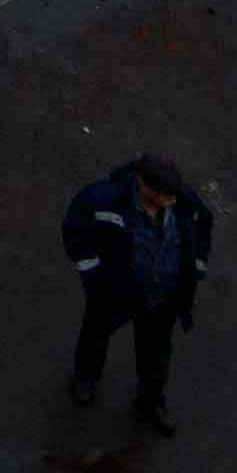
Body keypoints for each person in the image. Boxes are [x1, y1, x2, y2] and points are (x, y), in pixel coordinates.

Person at [61, 150, 215, 435]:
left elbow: (203, 224)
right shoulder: (104, 200)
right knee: (96, 333)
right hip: (117, 291)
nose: (171, 201)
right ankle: (85, 379)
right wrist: (94, 274)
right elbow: (75, 231)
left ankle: (151, 401)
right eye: (165, 195)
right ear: (143, 185)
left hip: (164, 296)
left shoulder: (181, 200)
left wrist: (196, 267)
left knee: (156, 352)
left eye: (173, 194)